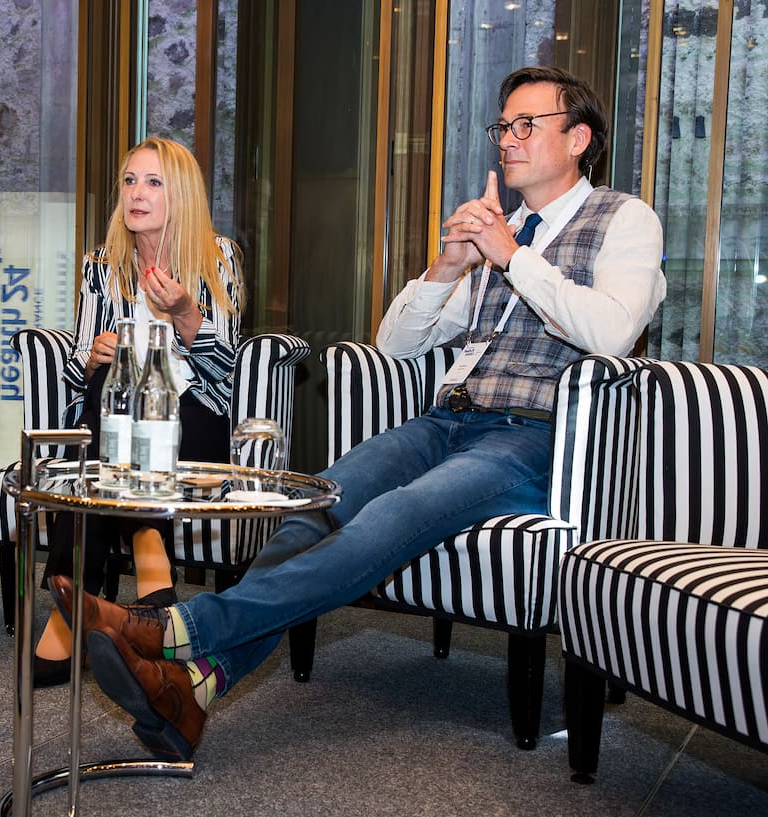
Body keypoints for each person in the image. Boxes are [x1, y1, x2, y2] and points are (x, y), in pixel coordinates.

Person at [50, 65, 667, 759]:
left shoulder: (623, 219)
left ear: (578, 137)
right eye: (502, 126)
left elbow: (612, 332)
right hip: (447, 420)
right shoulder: (502, 232)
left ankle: (175, 629)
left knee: (393, 516)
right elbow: (395, 342)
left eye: (527, 126)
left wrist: (513, 256)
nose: (507, 141)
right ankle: (196, 686)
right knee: (315, 505)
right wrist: (446, 267)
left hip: (532, 436)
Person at [34, 137, 246, 687]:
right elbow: (79, 365)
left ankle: (69, 609)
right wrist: (94, 354)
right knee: (111, 375)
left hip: (193, 418)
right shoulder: (101, 266)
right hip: (117, 417)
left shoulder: (217, 256)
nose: (137, 193)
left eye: (153, 182)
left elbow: (226, 369)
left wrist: (184, 313)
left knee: (107, 429)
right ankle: (149, 550)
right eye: (129, 180)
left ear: (180, 194)